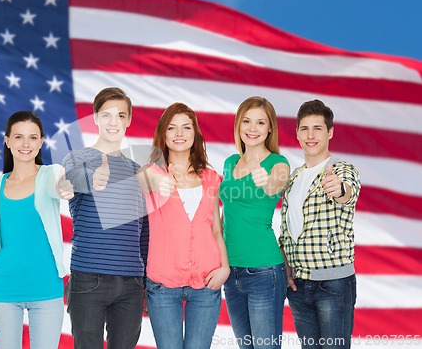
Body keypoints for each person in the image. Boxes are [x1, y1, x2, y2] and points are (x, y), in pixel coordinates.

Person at [0, 111, 74, 349]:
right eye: (19, 137)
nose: (25, 144)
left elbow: (61, 183)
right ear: (7, 141)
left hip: (46, 288)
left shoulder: (50, 174)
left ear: (41, 142)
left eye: (33, 138)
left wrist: (66, 187)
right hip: (3, 289)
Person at [137, 102, 230, 349]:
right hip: (163, 284)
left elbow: (215, 229)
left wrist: (225, 268)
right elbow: (142, 179)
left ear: (195, 134)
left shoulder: (210, 177)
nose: (179, 134)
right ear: (163, 134)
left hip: (207, 281)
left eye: (186, 128)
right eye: (172, 128)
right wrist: (159, 177)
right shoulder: (151, 173)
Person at [62, 87, 149, 349]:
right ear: (95, 118)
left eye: (121, 115)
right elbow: (71, 180)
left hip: (132, 283)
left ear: (129, 120)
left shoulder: (138, 170)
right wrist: (93, 180)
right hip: (89, 278)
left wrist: (144, 281)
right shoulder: (77, 159)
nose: (114, 122)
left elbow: (143, 231)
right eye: (107, 115)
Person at [279, 99, 361, 349]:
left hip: (332, 285)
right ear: (297, 133)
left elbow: (349, 192)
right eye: (305, 128)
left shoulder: (341, 170)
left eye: (317, 128)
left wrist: (340, 190)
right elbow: (287, 228)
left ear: (330, 132)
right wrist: (287, 266)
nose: (310, 135)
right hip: (299, 286)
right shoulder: (292, 178)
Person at [220, 96, 290, 349]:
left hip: (263, 271)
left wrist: (266, 182)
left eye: (260, 122)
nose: (252, 128)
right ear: (238, 125)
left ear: (270, 128)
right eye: (247, 121)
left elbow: (277, 184)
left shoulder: (277, 163)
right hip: (230, 271)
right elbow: (224, 216)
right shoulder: (230, 163)